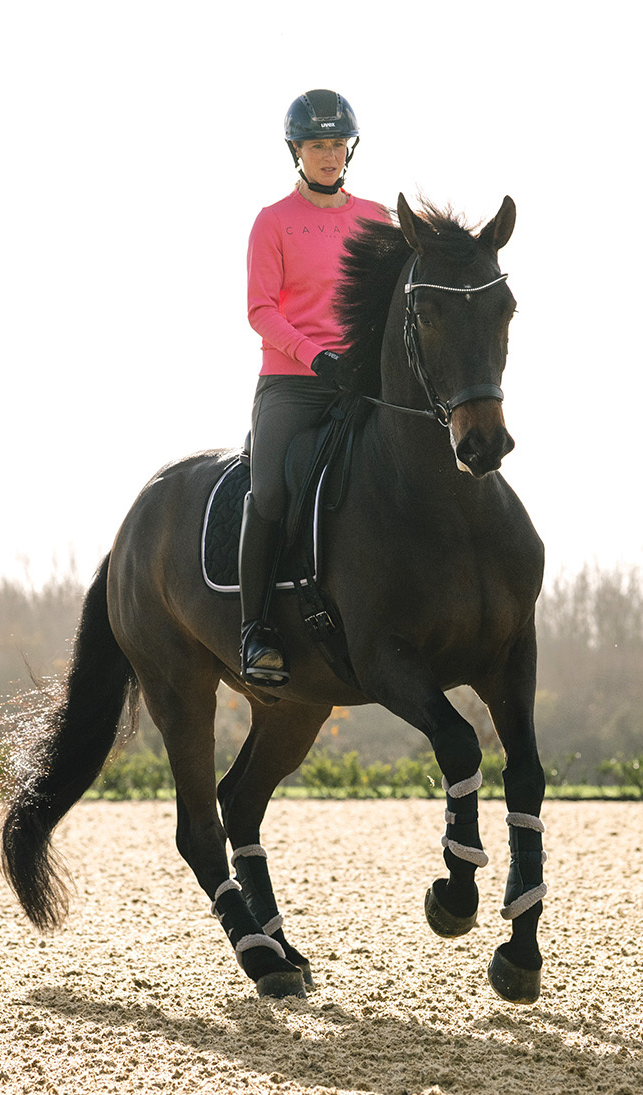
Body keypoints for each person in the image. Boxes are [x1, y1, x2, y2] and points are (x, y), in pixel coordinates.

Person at [238, 89, 391, 688]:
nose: (329, 155)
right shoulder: (272, 221)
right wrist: (316, 356)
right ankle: (255, 631)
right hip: (292, 385)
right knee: (271, 493)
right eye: (316, 145)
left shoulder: (378, 219)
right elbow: (259, 310)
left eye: (337, 144)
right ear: (295, 151)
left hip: (360, 383)